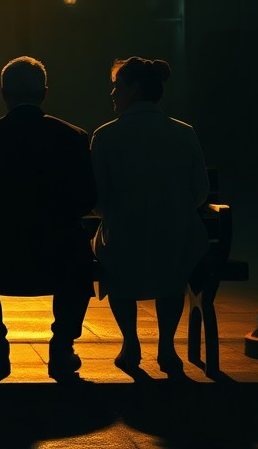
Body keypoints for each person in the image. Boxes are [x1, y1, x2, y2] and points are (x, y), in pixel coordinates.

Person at [0, 56, 96, 380]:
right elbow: (87, 198)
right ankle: (62, 346)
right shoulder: (73, 136)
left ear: (3, 93)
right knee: (78, 255)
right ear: (44, 92)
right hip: (58, 250)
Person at [90, 56, 209, 377]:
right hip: (174, 233)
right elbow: (200, 191)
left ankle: (130, 343)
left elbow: (99, 200)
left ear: (134, 89)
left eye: (117, 86)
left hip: (124, 235)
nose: (112, 93)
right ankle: (167, 346)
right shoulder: (184, 133)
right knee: (172, 275)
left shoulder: (105, 135)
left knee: (112, 260)